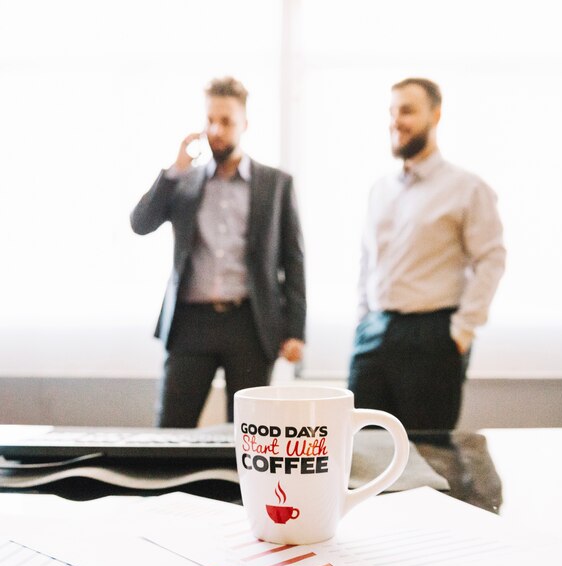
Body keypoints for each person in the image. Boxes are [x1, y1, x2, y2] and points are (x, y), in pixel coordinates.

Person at [131, 77, 306, 427]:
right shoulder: (184, 181)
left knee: (250, 432)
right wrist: (174, 170)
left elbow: (293, 259)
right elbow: (141, 222)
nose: (216, 130)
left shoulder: (276, 184)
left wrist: (296, 331)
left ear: (245, 124)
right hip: (190, 323)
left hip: (250, 323)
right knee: (171, 430)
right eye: (210, 120)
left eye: (226, 121)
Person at [348, 77, 505, 431]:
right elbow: (366, 261)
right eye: (391, 112)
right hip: (373, 332)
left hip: (433, 338)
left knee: (429, 455)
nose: (396, 121)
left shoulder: (467, 188)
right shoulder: (380, 189)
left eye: (407, 110)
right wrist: (363, 318)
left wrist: (462, 331)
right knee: (360, 446)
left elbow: (492, 260)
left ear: (436, 115)